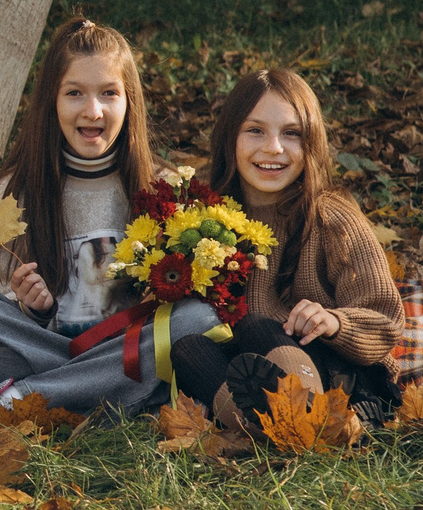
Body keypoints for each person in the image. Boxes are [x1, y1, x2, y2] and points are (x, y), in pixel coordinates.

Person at [0, 18, 224, 424]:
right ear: (51, 102)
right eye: (75, 93)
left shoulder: (164, 188)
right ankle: (107, 397)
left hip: (127, 349)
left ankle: (21, 400)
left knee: (199, 319)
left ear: (130, 102)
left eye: (109, 93)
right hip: (51, 346)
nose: (93, 111)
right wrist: (30, 309)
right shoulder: (11, 192)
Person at [169, 67, 404, 432]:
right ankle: (263, 427)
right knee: (187, 351)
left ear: (311, 142)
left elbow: (385, 317)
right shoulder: (206, 215)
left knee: (258, 327)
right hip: (252, 368)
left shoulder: (330, 216)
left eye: (291, 133)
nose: (273, 148)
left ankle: (310, 420)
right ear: (230, 136)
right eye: (256, 130)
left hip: (334, 370)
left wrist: (335, 322)